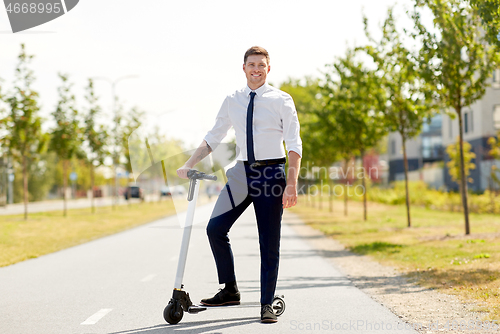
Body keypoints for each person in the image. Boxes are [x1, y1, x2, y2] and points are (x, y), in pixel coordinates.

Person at [177, 46, 302, 323]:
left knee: (268, 242)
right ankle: (230, 289)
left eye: (261, 65)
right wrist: (189, 164)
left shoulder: (282, 100)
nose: (256, 69)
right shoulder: (233, 99)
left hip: (271, 174)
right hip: (241, 173)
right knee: (215, 228)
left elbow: (294, 144)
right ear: (243, 68)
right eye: (251, 64)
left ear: (269, 69)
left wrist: (291, 183)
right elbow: (214, 136)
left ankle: (267, 303)